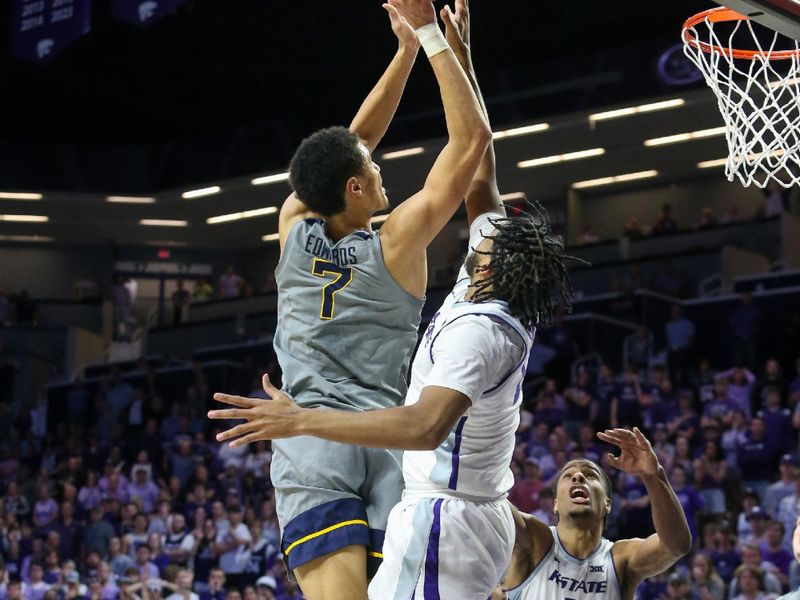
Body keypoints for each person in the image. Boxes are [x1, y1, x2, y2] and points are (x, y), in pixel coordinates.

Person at [210, 3, 581, 597]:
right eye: (371, 169)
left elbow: (348, 146)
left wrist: (405, 50)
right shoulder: (398, 242)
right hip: (384, 436)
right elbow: (470, 143)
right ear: (355, 189)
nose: (378, 164)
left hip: (308, 433)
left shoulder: (295, 220)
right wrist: (431, 41)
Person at [503, 428, 692, 599]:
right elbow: (490, 499)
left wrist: (653, 476)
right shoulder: (535, 540)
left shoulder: (620, 559)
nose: (578, 477)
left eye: (591, 475)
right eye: (568, 475)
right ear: (555, 504)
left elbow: (676, 545)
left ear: (607, 504)